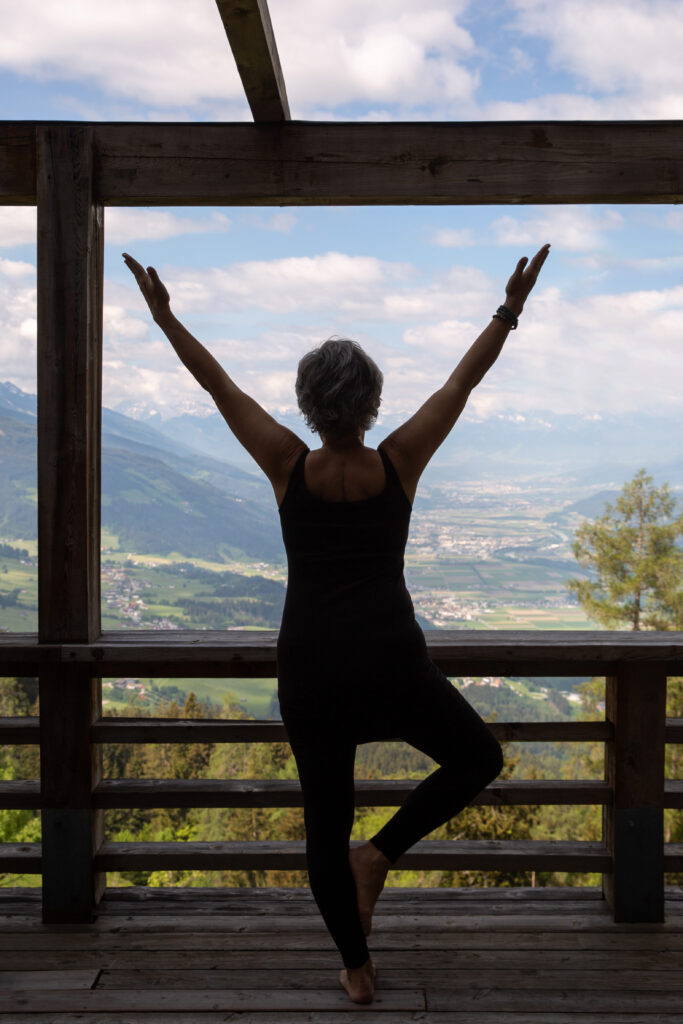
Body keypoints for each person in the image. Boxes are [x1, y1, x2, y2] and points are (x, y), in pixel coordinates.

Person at [123, 242, 550, 1004]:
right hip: (392, 662)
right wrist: (507, 310)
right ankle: (379, 855)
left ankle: (355, 967)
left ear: (307, 399)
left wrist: (166, 320)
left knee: (323, 824)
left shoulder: (287, 466)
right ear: (372, 402)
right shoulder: (398, 463)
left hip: (312, 669)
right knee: (476, 757)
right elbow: (462, 380)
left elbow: (217, 384)